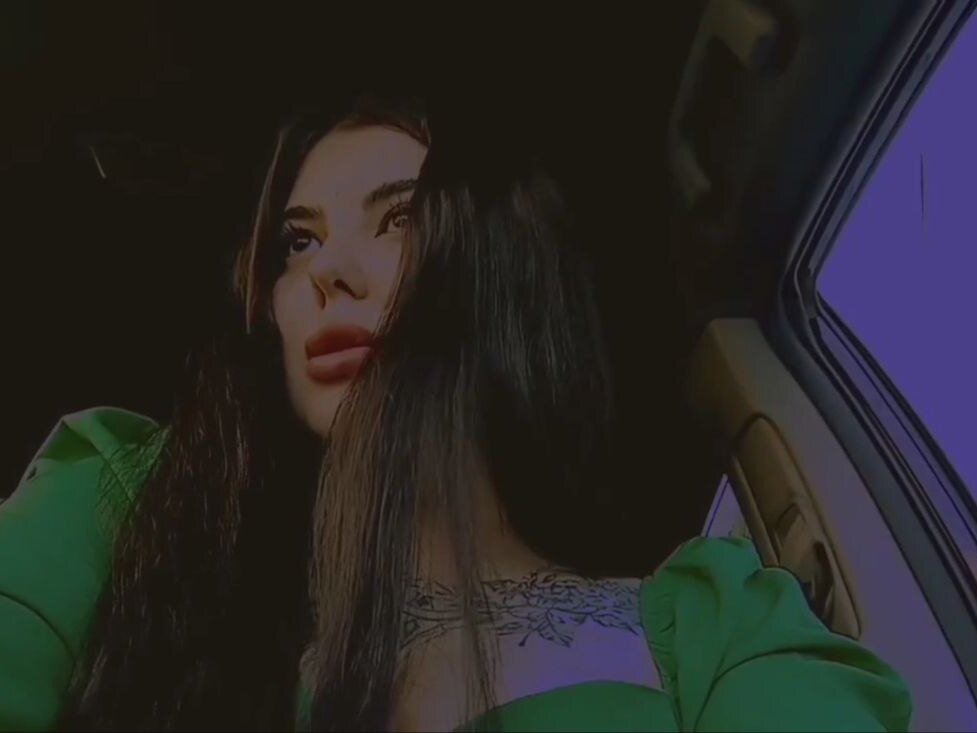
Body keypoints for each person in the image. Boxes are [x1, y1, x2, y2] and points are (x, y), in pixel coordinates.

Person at [0, 93, 912, 732]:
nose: (327, 272)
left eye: (399, 218)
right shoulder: (134, 501)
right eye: (296, 241)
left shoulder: (713, 620)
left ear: (504, 272)